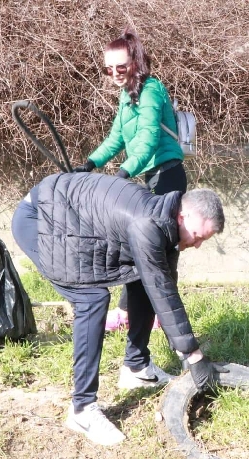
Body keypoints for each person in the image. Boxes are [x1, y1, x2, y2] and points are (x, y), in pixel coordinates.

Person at [11, 172, 225, 447]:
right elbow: (161, 288)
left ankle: (136, 369)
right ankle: (82, 411)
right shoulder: (147, 224)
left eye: (202, 241)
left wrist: (184, 349)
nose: (196, 245)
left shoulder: (166, 223)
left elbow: (163, 286)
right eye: (197, 236)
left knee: (143, 276)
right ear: (183, 217)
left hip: (69, 217)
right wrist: (193, 355)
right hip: (40, 218)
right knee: (92, 299)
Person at [73, 28, 187, 332]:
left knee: (161, 250)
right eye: (108, 69)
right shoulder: (127, 97)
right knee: (138, 246)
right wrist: (90, 163)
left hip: (167, 176)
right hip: (149, 176)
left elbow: (148, 139)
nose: (114, 74)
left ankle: (162, 314)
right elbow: (116, 139)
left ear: (135, 62)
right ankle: (128, 311)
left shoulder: (151, 90)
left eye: (120, 67)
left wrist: (124, 172)